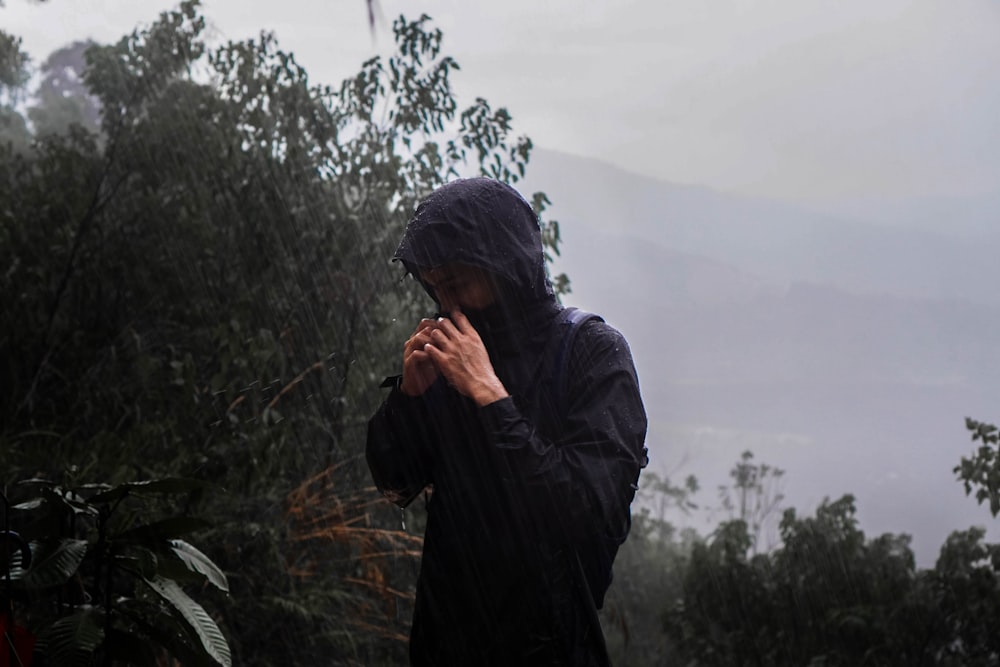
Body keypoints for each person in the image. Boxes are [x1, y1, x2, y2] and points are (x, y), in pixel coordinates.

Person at [366, 177, 648, 666]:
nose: (446, 304)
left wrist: (491, 397)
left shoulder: (592, 353)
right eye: (435, 288)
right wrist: (410, 398)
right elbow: (395, 481)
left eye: (456, 284)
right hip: (443, 648)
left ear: (506, 267)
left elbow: (584, 507)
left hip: (552, 651)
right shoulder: (457, 354)